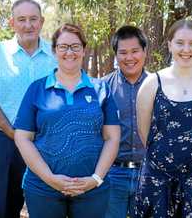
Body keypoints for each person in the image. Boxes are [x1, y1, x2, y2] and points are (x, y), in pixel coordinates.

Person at [13, 23, 121, 218]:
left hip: (92, 190)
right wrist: (50, 179)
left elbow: (112, 138)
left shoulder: (101, 89)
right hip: (43, 189)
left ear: (83, 50)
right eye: (63, 46)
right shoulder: (36, 89)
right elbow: (22, 138)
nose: (69, 52)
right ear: (54, 51)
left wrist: (95, 179)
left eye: (75, 46)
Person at [135, 19, 192, 217]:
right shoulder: (152, 83)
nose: (186, 49)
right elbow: (145, 135)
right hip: (157, 180)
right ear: (169, 45)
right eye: (179, 42)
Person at [0, 0, 56, 218]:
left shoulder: (56, 54)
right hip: (8, 142)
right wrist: (14, 134)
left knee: (49, 207)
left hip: (49, 143)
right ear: (12, 23)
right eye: (21, 19)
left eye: (33, 19)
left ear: (41, 22)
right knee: (7, 208)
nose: (28, 25)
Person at [103, 25, 148, 218]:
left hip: (148, 174)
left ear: (145, 52)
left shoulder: (158, 86)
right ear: (116, 55)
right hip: (113, 174)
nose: (129, 58)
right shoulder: (103, 87)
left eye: (135, 51)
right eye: (123, 52)